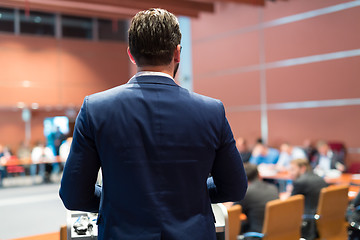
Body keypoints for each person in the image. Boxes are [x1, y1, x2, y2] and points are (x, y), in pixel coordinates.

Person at [59, 8, 247, 240]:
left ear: (131, 54)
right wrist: (188, 194)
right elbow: (234, 188)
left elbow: (73, 195)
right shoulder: (212, 111)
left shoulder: (95, 108)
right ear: (177, 54)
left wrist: (118, 199)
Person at [288, 158, 328, 240]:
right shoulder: (319, 178)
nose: (291, 173)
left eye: (293, 169)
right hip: (322, 219)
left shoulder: (300, 181)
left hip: (308, 221)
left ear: (302, 168)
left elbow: (290, 203)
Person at [234, 163, 278, 234]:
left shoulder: (246, 193)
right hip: (275, 232)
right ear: (259, 175)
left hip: (257, 234)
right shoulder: (273, 188)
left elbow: (234, 214)